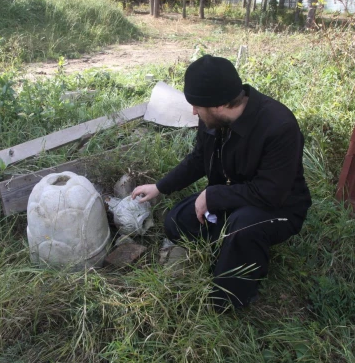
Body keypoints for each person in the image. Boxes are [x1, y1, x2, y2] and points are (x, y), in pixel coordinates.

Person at [132, 55, 312, 311]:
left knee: (242, 228)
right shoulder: (212, 119)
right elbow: (197, 159)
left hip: (279, 208)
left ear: (219, 104)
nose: (193, 111)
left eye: (196, 106)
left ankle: (228, 302)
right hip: (231, 197)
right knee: (176, 222)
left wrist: (213, 196)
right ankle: (229, 247)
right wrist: (160, 187)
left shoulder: (279, 125)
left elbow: (271, 193)